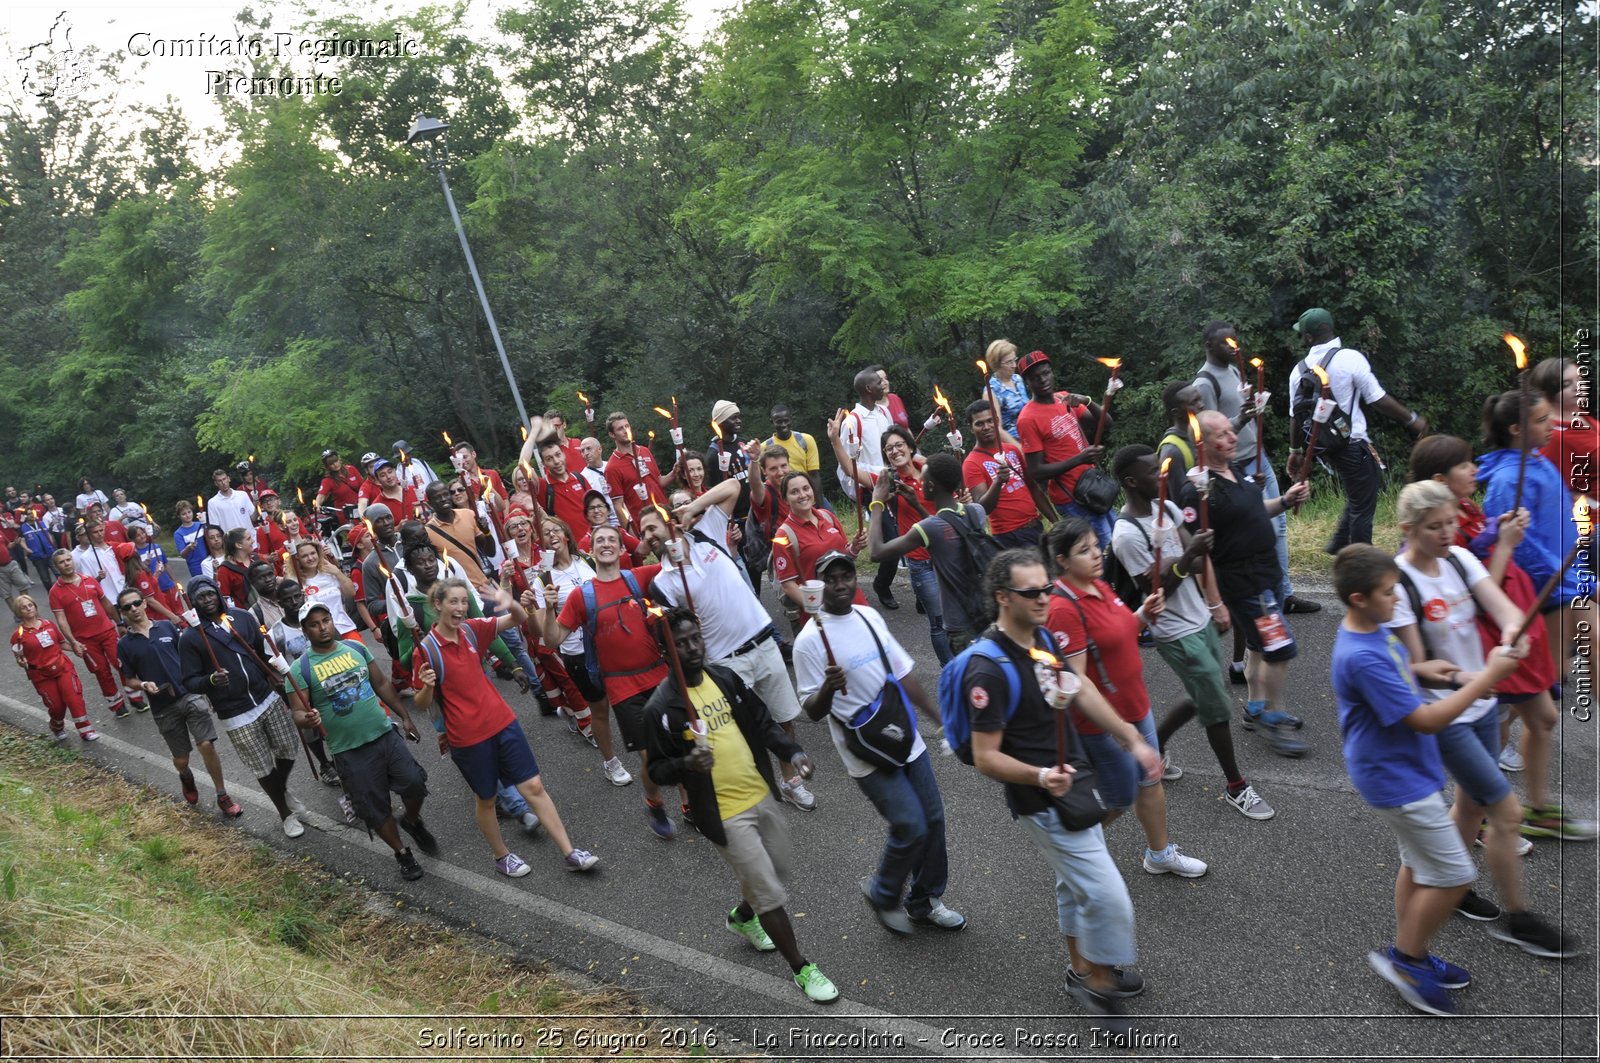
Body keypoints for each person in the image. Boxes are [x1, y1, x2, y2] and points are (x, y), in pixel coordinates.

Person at [959, 548, 1160, 1028]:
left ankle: (1081, 970)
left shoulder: (1040, 635)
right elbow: (985, 757)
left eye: (1047, 588)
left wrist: (1131, 736)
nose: (1045, 598)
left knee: (1076, 883)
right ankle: (1100, 985)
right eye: (1032, 593)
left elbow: (1079, 686)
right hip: (1040, 795)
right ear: (1003, 597)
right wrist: (1039, 776)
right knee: (1107, 892)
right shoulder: (986, 669)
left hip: (1070, 784)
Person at [1386, 481, 1579, 958]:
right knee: (1506, 811)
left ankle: (1449, 888)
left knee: (1472, 806)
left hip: (1483, 703)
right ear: (1408, 529)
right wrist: (1477, 677)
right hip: (1445, 713)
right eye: (1435, 527)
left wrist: (1515, 631)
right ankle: (1519, 918)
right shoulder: (1398, 582)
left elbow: (1503, 607)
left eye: (1452, 522)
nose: (1448, 532)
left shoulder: (1459, 559)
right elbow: (1414, 665)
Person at [1329, 544, 1524, 1016]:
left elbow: (1400, 676)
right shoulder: (1363, 655)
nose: (1398, 599)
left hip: (1401, 772)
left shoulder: (1371, 631)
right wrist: (1484, 678)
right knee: (1456, 874)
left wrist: (1438, 672)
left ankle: (1410, 948)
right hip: (1396, 781)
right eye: (1388, 592)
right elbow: (1426, 721)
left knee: (1419, 864)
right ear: (1358, 598)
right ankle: (1408, 960)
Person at [644, 606, 838, 1003]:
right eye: (680, 644)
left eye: (695, 638)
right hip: (722, 812)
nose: (692, 648)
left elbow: (763, 722)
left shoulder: (724, 677)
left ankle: (744, 917)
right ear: (666, 653)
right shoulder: (660, 709)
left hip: (760, 792)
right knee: (769, 889)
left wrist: (793, 751)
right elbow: (658, 771)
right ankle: (802, 968)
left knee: (777, 869)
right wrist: (686, 763)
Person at [1407, 435, 1590, 843]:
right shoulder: (1439, 534)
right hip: (1479, 640)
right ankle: (1486, 814)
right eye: (1466, 465)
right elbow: (1473, 596)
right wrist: (1505, 544)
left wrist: (1504, 532)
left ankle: (1520, 808)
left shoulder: (1466, 510)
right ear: (1440, 478)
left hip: (1507, 628)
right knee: (1495, 723)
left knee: (1537, 718)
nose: (1476, 470)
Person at [795, 551, 966, 933]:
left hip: (903, 736)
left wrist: (943, 721)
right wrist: (828, 686)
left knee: (933, 822)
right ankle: (884, 891)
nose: (841, 584)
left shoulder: (870, 617)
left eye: (846, 576)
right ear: (819, 585)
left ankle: (924, 900)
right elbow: (811, 710)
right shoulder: (809, 641)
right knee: (910, 825)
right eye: (832, 578)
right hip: (865, 751)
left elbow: (904, 676)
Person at [1110, 445, 1273, 819]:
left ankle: (1154, 748)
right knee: (1215, 704)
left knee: (1204, 692)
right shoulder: (1126, 535)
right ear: (1132, 481)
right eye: (1154, 472)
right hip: (1171, 630)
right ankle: (1236, 786)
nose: (1163, 477)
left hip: (1198, 617)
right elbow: (1154, 592)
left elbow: (1197, 559)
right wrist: (1183, 559)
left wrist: (1194, 568)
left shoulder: (1165, 507)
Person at [1043, 518, 1209, 878]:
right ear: (1062, 561)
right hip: (1104, 723)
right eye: (1082, 551)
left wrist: (1142, 615)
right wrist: (1123, 733)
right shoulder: (1062, 608)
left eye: (1094, 545)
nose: (1095, 554)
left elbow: (1117, 633)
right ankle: (1074, 850)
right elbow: (1077, 681)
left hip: (1136, 706)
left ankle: (1160, 854)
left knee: (1150, 780)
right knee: (1119, 796)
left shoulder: (1099, 585)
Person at [643, 482, 816, 811]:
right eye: (644, 532)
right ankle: (756, 785)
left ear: (669, 520)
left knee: (783, 718)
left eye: (652, 526)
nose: (649, 535)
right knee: (746, 727)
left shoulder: (707, 530)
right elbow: (674, 629)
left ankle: (791, 780)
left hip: (762, 640)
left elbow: (733, 487)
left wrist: (693, 509)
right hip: (725, 661)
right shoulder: (662, 582)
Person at [412, 578, 599, 876]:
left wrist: (509, 600)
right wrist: (424, 687)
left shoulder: (473, 629)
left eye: (463, 601)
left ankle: (569, 851)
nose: (460, 608)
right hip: (469, 739)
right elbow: (423, 704)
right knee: (486, 799)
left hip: (503, 723)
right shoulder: (426, 650)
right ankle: (502, 857)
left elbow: (518, 619)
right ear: (437, 605)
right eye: (453, 602)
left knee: (533, 786)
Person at [1180, 412, 1311, 756]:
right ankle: (1273, 716)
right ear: (1203, 445)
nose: (1233, 437)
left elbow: (1253, 510)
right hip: (1244, 581)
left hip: (1264, 574)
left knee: (1257, 644)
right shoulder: (1198, 490)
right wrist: (1214, 603)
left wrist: (1284, 500)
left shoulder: (1234, 469)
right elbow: (1198, 554)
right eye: (1222, 435)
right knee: (1279, 647)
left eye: (1230, 431)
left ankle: (1255, 707)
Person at [287, 600, 435, 881]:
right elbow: (297, 711)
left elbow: (380, 684)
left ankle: (412, 821)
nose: (323, 628)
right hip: (349, 751)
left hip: (384, 735)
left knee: (415, 783)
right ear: (305, 631)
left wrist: (405, 717)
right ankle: (402, 853)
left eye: (326, 620)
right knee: (375, 808)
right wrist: (307, 719)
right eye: (315, 624)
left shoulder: (356, 649)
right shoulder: (299, 670)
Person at [546, 525, 678, 827]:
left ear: (621, 550)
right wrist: (543, 610)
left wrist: (664, 533)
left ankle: (688, 806)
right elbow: (553, 640)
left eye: (612, 540)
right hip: (621, 685)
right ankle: (654, 801)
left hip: (660, 675)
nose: (606, 544)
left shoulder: (639, 577)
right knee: (650, 758)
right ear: (591, 551)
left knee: (676, 744)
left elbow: (678, 565)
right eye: (599, 541)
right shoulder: (582, 596)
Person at [1194, 322, 1315, 614]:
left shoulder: (1234, 369)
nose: (1234, 347)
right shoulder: (1203, 384)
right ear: (1209, 345)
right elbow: (1208, 434)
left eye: (1235, 341)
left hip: (1256, 455)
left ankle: (1284, 594)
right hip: (1236, 465)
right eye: (1226, 342)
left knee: (1280, 525)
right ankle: (1266, 595)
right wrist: (1242, 421)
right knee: (1264, 526)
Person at [1287, 307, 1429, 552]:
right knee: (1363, 504)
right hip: (1352, 443)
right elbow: (1377, 399)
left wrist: (1295, 451)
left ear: (1309, 337)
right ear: (1330, 329)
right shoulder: (1350, 358)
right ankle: (1362, 559)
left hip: (1324, 446)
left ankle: (1338, 545)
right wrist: (1412, 419)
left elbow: (1295, 416)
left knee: (1359, 495)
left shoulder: (1298, 371)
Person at [178, 575, 307, 838]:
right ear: (194, 602)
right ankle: (284, 812)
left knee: (289, 748)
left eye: (210, 594)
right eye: (201, 597)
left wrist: (279, 675)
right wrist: (211, 679)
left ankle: (279, 788)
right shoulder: (191, 637)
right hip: (235, 712)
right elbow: (190, 681)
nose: (208, 600)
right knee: (261, 766)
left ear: (217, 593)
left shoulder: (242, 617)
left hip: (266, 697)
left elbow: (263, 653)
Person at [1478, 389, 1590, 684]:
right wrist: (1570, 578)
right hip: (1547, 588)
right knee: (1548, 683)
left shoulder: (1538, 460)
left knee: (1589, 654)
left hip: (1568, 580)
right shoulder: (1508, 481)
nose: (1551, 425)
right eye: (1542, 420)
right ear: (1516, 430)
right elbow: (1523, 548)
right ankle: (1501, 720)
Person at [115, 587, 242, 815]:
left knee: (206, 744)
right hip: (163, 706)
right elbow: (129, 679)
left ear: (144, 603)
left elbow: (191, 659)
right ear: (122, 613)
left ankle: (222, 794)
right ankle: (185, 776)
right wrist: (144, 685)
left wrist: (207, 688)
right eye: (127, 607)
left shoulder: (166, 627)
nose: (133, 609)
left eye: (136, 603)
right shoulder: (124, 644)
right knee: (182, 759)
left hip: (189, 694)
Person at [870, 452, 997, 655]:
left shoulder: (929, 528)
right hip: (986, 613)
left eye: (924, 478)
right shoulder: (975, 512)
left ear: (930, 487)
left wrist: (877, 502)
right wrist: (916, 504)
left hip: (959, 625)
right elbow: (945, 526)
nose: (920, 480)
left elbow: (876, 552)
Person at [1014, 349, 1112, 547]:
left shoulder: (1064, 399)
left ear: (1052, 372)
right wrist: (1079, 459)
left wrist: (1087, 401)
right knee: (1101, 548)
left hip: (1093, 487)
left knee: (1116, 540)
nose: (1042, 380)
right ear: (1028, 383)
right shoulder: (1027, 419)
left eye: (1045, 373)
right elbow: (1037, 471)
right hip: (1071, 497)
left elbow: (1106, 422)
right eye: (1035, 378)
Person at [831, 369, 899, 609]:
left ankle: (920, 590)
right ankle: (882, 583)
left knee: (906, 533)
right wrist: (876, 477)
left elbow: (892, 447)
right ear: (869, 389)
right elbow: (848, 463)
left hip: (894, 482)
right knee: (891, 540)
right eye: (878, 382)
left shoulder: (884, 412)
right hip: (873, 488)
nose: (883, 384)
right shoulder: (852, 422)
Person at [49, 548, 141, 717]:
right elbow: (61, 619)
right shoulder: (55, 591)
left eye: (68, 559)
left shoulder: (90, 580)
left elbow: (106, 604)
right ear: (56, 566)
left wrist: (119, 623)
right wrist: (73, 642)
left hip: (107, 632)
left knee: (121, 664)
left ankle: (136, 698)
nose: (67, 563)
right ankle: (117, 705)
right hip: (85, 641)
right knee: (101, 671)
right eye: (62, 562)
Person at [772, 471, 867, 634]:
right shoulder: (784, 535)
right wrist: (819, 609)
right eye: (794, 492)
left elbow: (844, 558)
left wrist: (855, 547)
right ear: (785, 499)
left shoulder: (827, 516)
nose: (802, 495)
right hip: (823, 614)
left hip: (853, 600)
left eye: (805, 488)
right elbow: (788, 585)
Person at [11, 592, 97, 741]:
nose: (28, 609)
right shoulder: (18, 635)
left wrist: (75, 648)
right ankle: (56, 726)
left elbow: (61, 643)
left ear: (35, 607)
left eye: (30, 605)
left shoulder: (49, 624)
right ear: (19, 612)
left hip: (63, 667)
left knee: (74, 699)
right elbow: (19, 657)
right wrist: (21, 662)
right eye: (24, 608)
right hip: (41, 675)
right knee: (57, 707)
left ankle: (86, 730)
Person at [963, 399, 1043, 550]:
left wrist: (1055, 521)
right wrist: (998, 482)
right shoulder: (971, 463)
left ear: (997, 421)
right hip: (1010, 537)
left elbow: (1034, 488)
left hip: (1035, 527)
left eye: (990, 421)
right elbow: (982, 507)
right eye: (979, 424)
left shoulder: (1012, 450)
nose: (986, 427)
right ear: (971, 428)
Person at [1533, 356, 1596, 497]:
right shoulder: (1554, 436)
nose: (1578, 387)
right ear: (1547, 393)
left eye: (1580, 380)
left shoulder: (1582, 415)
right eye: (1567, 384)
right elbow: (1559, 491)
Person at [603, 412, 673, 529]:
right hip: (645, 524)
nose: (626, 430)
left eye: (627, 426)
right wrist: (631, 537)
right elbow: (618, 507)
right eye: (620, 428)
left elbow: (659, 482)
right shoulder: (612, 467)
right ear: (612, 434)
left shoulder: (644, 451)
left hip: (665, 515)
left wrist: (675, 472)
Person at [765, 405, 828, 510]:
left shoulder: (805, 440)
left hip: (807, 494)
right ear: (772, 421)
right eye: (779, 422)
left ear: (791, 419)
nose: (783, 425)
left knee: (830, 521)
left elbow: (814, 475)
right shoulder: (766, 448)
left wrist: (818, 505)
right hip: (785, 499)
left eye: (786, 421)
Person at [984, 339, 1030, 435]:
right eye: (1009, 362)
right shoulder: (991, 391)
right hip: (1014, 442)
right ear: (996, 364)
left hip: (1031, 432)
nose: (1014, 365)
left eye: (1014, 360)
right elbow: (997, 430)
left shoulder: (1017, 379)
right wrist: (1018, 447)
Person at [72, 518, 124, 600]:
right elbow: (88, 583)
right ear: (89, 535)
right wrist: (99, 578)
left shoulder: (114, 547)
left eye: (101, 530)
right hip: (110, 598)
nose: (100, 534)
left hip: (125, 591)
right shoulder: (85, 557)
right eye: (95, 532)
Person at [207, 468, 257, 535]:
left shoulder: (242, 495)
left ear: (228, 479)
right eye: (220, 481)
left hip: (251, 539)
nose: (223, 483)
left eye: (224, 479)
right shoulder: (212, 503)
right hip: (231, 543)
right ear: (216, 483)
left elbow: (254, 518)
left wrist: (256, 505)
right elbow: (215, 528)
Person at [313, 450, 365, 514]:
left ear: (339, 459)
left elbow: (364, 486)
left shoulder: (351, 469)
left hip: (361, 507)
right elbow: (321, 495)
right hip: (346, 514)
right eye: (331, 464)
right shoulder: (327, 480)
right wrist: (317, 505)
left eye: (336, 461)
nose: (335, 464)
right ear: (327, 466)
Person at [215, 528, 255, 608]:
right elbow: (223, 600)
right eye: (248, 539)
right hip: (248, 615)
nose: (253, 541)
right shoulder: (224, 571)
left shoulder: (258, 559)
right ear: (239, 545)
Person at [173, 500, 208, 578]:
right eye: (184, 514)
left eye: (189, 512)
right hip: (196, 567)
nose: (187, 515)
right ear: (179, 516)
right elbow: (183, 554)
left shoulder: (201, 524)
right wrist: (188, 548)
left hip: (209, 561)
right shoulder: (178, 533)